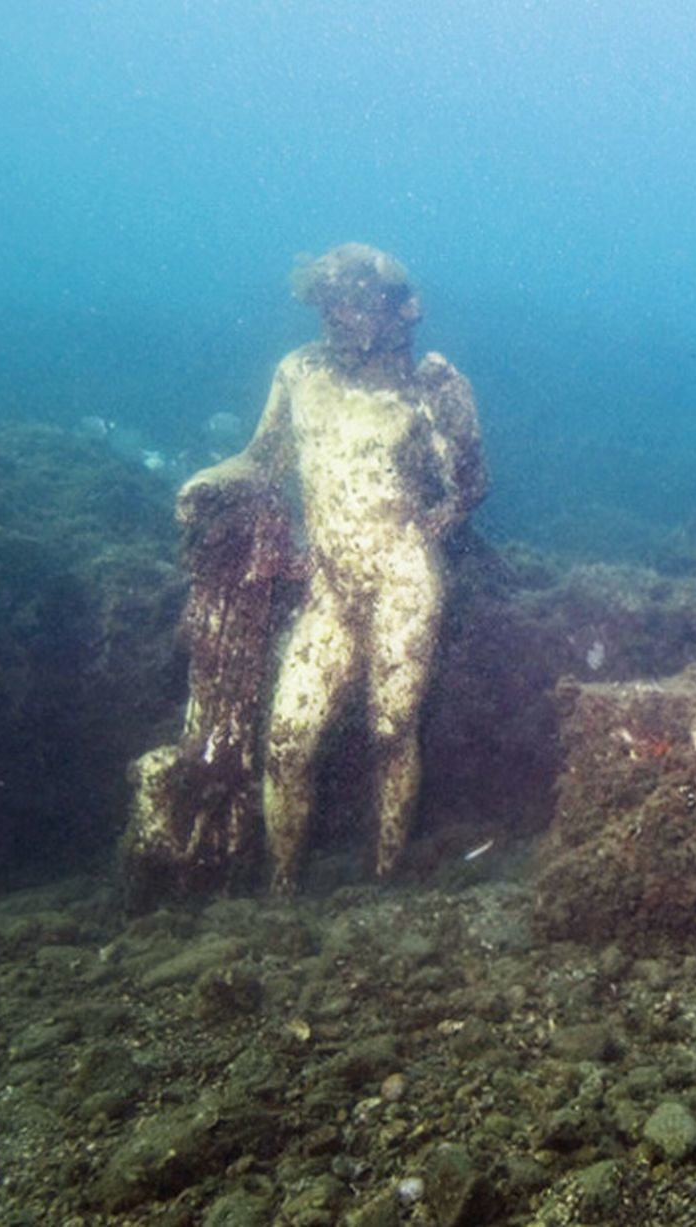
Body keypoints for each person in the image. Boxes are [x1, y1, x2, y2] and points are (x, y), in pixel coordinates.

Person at [177, 243, 487, 892]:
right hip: (329, 585)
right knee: (288, 738)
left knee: (390, 728)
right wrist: (208, 479)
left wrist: (419, 535)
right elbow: (262, 458)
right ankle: (281, 895)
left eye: (354, 304)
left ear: (402, 311)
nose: (337, 317)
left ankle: (382, 881)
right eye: (328, 304)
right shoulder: (299, 374)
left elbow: (471, 484)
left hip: (401, 581)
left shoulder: (433, 386)